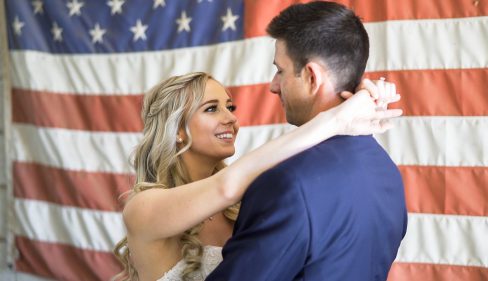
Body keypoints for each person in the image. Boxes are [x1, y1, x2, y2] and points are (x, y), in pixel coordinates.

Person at [113, 70, 401, 280]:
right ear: (176, 130)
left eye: (230, 106)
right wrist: (338, 118)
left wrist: (350, 97)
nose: (231, 118)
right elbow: (227, 185)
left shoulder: (243, 204)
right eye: (212, 109)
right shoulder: (142, 209)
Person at [206, 2, 407, 281]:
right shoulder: (387, 173)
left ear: (312, 77)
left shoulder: (287, 185)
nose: (273, 85)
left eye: (280, 70)